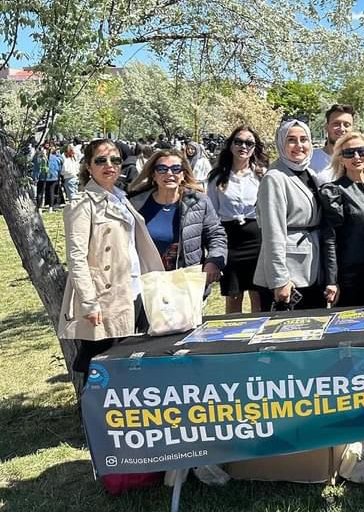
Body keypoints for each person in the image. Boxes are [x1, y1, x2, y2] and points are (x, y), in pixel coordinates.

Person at [58, 139, 165, 378]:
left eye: (115, 160)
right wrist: (88, 302)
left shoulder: (121, 197)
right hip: (103, 297)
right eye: (101, 160)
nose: (109, 165)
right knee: (101, 367)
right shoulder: (82, 204)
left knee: (130, 361)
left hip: (134, 289)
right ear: (88, 166)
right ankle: (93, 414)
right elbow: (76, 257)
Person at [255, 119, 338, 309]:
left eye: (304, 139)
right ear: (281, 143)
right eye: (291, 140)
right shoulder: (274, 178)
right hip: (289, 273)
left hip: (312, 267)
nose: (299, 145)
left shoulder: (308, 173)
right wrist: (280, 279)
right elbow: (272, 232)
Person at [127, 150, 227, 295]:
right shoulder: (135, 204)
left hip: (186, 285)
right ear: (153, 175)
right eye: (162, 169)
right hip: (146, 285)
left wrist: (213, 262)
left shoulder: (198, 201)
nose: (169, 174)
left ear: (183, 174)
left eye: (176, 169)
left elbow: (216, 236)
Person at [322, 132, 364, 309]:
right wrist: (332, 280)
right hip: (351, 275)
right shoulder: (334, 191)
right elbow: (330, 239)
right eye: (349, 153)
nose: (356, 157)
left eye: (361, 151)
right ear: (341, 159)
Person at [207, 126, 269, 313]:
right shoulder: (217, 177)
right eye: (239, 141)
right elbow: (211, 213)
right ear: (231, 145)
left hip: (257, 239)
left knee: (258, 294)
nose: (243, 146)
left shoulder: (262, 174)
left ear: (255, 147)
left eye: (249, 143)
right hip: (230, 240)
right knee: (233, 296)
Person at [309, 103, 354, 180]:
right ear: (326, 127)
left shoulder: (359, 160)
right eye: (336, 124)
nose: (342, 129)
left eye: (347, 125)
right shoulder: (310, 160)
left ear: (352, 129)